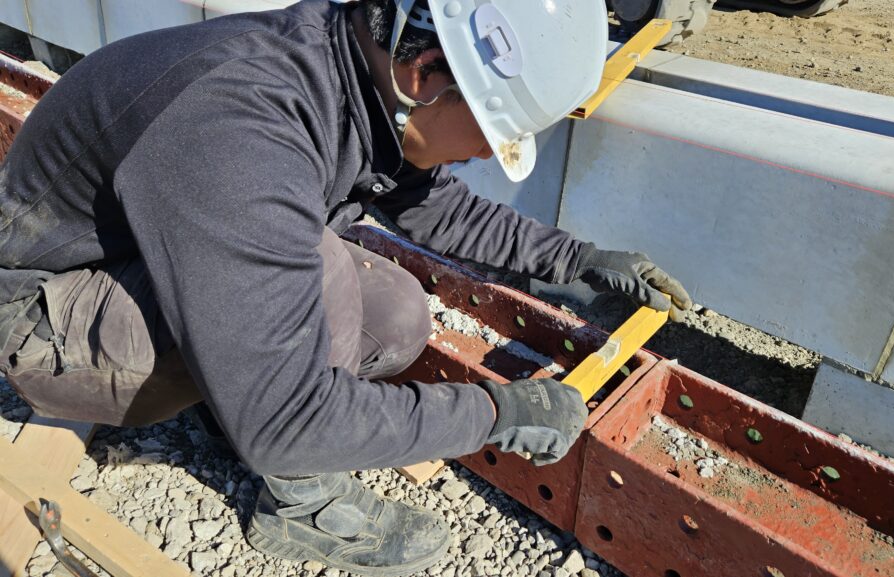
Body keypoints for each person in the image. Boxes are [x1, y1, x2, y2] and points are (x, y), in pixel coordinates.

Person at [0, 0, 691, 574]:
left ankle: (225, 399)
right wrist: (497, 413)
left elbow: (432, 203)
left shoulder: (349, 64)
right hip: (45, 322)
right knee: (321, 272)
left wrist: (580, 259)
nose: (487, 152)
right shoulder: (242, 129)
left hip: (142, 264)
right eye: (492, 129)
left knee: (394, 313)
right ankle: (298, 507)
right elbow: (289, 417)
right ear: (425, 71)